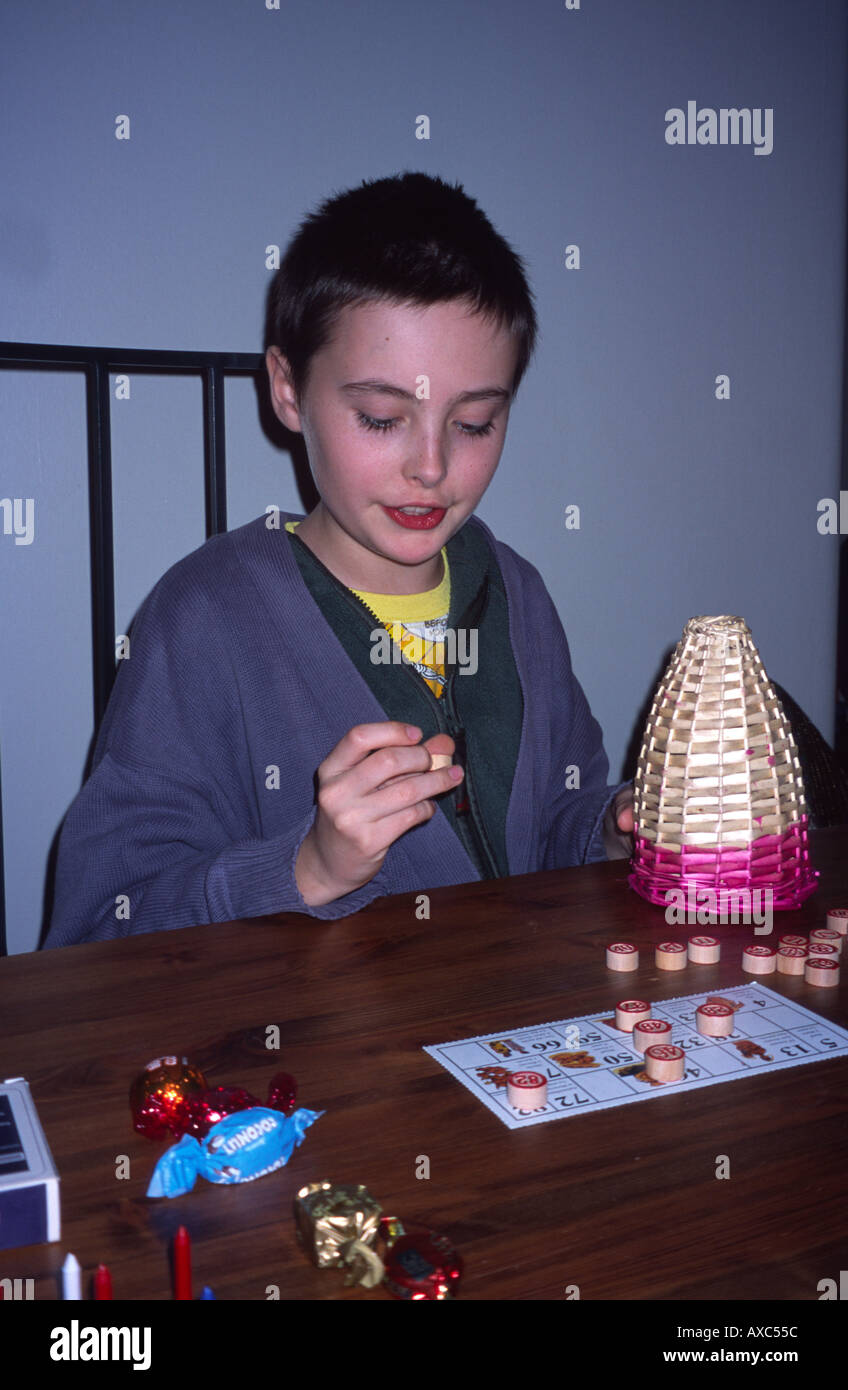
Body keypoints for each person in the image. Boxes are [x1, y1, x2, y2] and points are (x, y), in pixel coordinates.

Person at [44, 171, 633, 949]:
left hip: (510, 1049)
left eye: (476, 423)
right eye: (382, 418)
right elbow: (100, 929)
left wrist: (620, 829)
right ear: (287, 390)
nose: (430, 466)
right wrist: (307, 867)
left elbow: (552, 831)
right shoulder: (206, 619)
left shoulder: (517, 594)